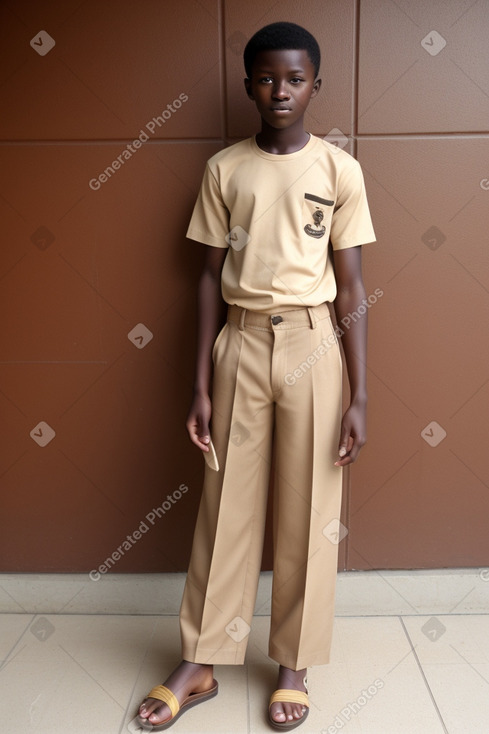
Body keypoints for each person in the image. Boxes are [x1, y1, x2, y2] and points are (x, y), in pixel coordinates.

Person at [137, 20, 376, 732]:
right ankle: (203, 658)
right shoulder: (225, 169)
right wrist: (200, 384)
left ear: (315, 86)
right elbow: (206, 279)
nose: (281, 90)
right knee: (225, 508)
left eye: (295, 78)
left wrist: (360, 393)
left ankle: (294, 664)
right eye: (267, 78)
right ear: (248, 86)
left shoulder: (340, 170)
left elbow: (353, 284)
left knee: (310, 509)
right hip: (239, 343)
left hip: (312, 341)